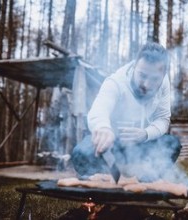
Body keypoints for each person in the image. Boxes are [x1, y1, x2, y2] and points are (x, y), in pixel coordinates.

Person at [72, 42, 182, 182]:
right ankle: (104, 183)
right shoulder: (116, 82)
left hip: (142, 142)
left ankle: (144, 184)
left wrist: (145, 134)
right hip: (111, 144)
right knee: (80, 153)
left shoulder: (164, 83)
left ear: (163, 74)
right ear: (135, 65)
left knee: (172, 143)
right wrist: (103, 128)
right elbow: (99, 110)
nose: (147, 85)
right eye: (142, 75)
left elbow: (162, 119)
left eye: (155, 79)